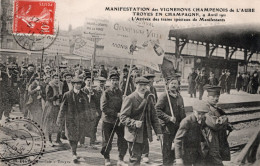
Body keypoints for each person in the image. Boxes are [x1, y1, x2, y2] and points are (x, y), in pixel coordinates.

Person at [120, 76, 163, 165]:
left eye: (145, 85)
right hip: (133, 134)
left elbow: (154, 117)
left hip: (144, 133)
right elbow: (123, 117)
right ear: (136, 85)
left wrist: (158, 132)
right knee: (135, 159)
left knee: (139, 157)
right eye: (140, 85)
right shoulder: (130, 98)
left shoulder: (149, 98)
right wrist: (134, 123)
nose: (143, 87)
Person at [57, 77, 91, 163]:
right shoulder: (67, 95)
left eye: (79, 84)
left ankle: (74, 151)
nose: (78, 86)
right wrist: (59, 118)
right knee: (72, 137)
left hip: (80, 120)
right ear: (73, 85)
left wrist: (88, 117)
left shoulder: (83, 95)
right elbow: (62, 108)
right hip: (70, 120)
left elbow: (87, 108)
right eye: (76, 84)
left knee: (78, 136)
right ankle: (74, 153)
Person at [155, 76, 186, 165]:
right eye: (171, 83)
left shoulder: (179, 97)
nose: (173, 85)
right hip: (167, 127)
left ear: (178, 85)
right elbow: (157, 110)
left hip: (178, 127)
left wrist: (184, 123)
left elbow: (182, 111)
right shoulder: (164, 96)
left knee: (176, 147)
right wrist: (168, 118)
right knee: (167, 149)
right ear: (168, 85)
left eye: (175, 83)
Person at [100, 72, 128, 166]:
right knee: (107, 141)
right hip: (108, 121)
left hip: (119, 121)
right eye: (113, 80)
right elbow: (103, 108)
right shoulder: (106, 92)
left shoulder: (121, 93)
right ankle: (107, 158)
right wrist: (116, 114)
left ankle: (121, 159)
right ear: (110, 81)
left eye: (116, 80)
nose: (115, 82)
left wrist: (125, 101)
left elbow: (124, 107)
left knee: (122, 140)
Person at [202, 85, 231, 165]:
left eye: (217, 96)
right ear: (207, 97)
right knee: (214, 159)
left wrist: (226, 124)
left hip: (217, 138)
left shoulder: (216, 108)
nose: (216, 98)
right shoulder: (205, 108)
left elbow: (219, 121)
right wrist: (224, 119)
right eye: (213, 96)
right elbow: (214, 124)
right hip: (210, 139)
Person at [42, 73, 63, 147]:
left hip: (58, 106)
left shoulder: (61, 85)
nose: (57, 79)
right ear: (52, 78)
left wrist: (61, 97)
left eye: (58, 78)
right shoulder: (50, 86)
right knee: (50, 123)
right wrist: (56, 97)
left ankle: (58, 139)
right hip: (51, 106)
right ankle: (49, 139)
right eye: (55, 78)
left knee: (59, 122)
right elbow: (48, 98)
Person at [81, 74, 98, 149]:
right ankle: (82, 142)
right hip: (84, 111)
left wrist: (93, 94)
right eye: (87, 80)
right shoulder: (82, 90)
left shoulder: (94, 91)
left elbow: (97, 101)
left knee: (93, 127)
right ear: (84, 81)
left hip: (92, 111)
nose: (89, 82)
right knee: (83, 126)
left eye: (91, 81)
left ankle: (92, 142)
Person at [92, 76, 107, 144]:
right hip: (97, 110)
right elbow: (93, 102)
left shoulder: (107, 90)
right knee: (94, 125)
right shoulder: (94, 90)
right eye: (100, 82)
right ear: (98, 82)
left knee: (105, 126)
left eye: (103, 82)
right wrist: (95, 111)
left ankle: (105, 139)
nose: (101, 83)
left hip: (105, 111)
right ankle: (93, 139)